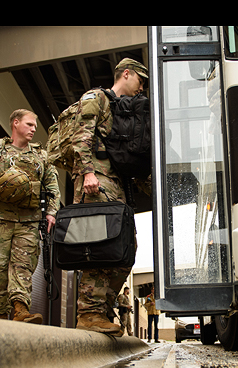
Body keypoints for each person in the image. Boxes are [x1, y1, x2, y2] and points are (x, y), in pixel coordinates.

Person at [71, 58, 149, 337]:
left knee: (126, 248)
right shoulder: (96, 98)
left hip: (116, 185)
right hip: (96, 183)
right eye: (140, 81)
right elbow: (81, 137)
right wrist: (88, 173)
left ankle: (101, 310)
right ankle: (89, 313)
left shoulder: (123, 110)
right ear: (125, 74)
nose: (142, 88)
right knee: (99, 245)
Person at [0, 109, 60, 324]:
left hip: (28, 222)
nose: (34, 129)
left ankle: (20, 310)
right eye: (29, 124)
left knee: (23, 265)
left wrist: (52, 213)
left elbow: (53, 188)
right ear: (15, 123)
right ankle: (0, 315)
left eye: (34, 125)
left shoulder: (41, 157)